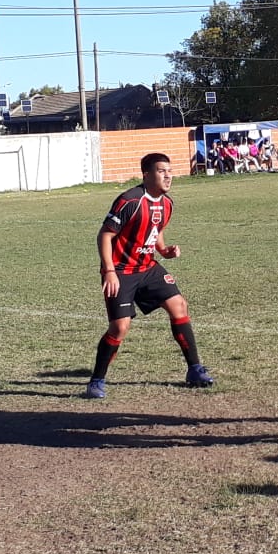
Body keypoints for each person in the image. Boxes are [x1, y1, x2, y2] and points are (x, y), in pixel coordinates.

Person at [86, 152, 215, 398]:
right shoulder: (130, 200)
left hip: (147, 267)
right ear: (146, 175)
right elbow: (105, 235)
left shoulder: (167, 203)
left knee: (179, 306)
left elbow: (156, 229)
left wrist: (164, 250)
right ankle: (96, 381)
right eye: (161, 171)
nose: (168, 176)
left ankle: (195, 369)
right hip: (121, 271)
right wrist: (109, 271)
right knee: (120, 328)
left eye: (170, 171)